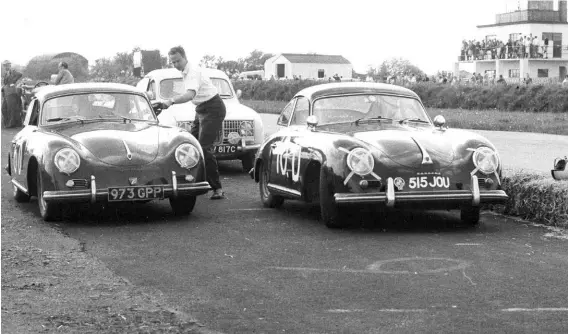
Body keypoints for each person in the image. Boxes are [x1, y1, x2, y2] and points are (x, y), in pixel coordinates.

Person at [163, 46, 226, 200]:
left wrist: (170, 101)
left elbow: (190, 95)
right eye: (173, 62)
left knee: (204, 148)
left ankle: (217, 188)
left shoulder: (192, 72)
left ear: (185, 57)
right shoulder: (185, 72)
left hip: (212, 108)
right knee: (191, 146)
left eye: (178, 60)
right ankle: (194, 181)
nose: (176, 64)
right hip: (201, 108)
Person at [1, 60, 23, 128]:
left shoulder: (12, 71)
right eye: (4, 65)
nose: (5, 66)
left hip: (12, 92)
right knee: (4, 108)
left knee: (11, 109)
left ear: (9, 65)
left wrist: (13, 81)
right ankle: (7, 123)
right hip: (6, 92)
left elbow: (20, 74)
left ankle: (11, 124)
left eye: (7, 65)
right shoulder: (6, 73)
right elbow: (5, 82)